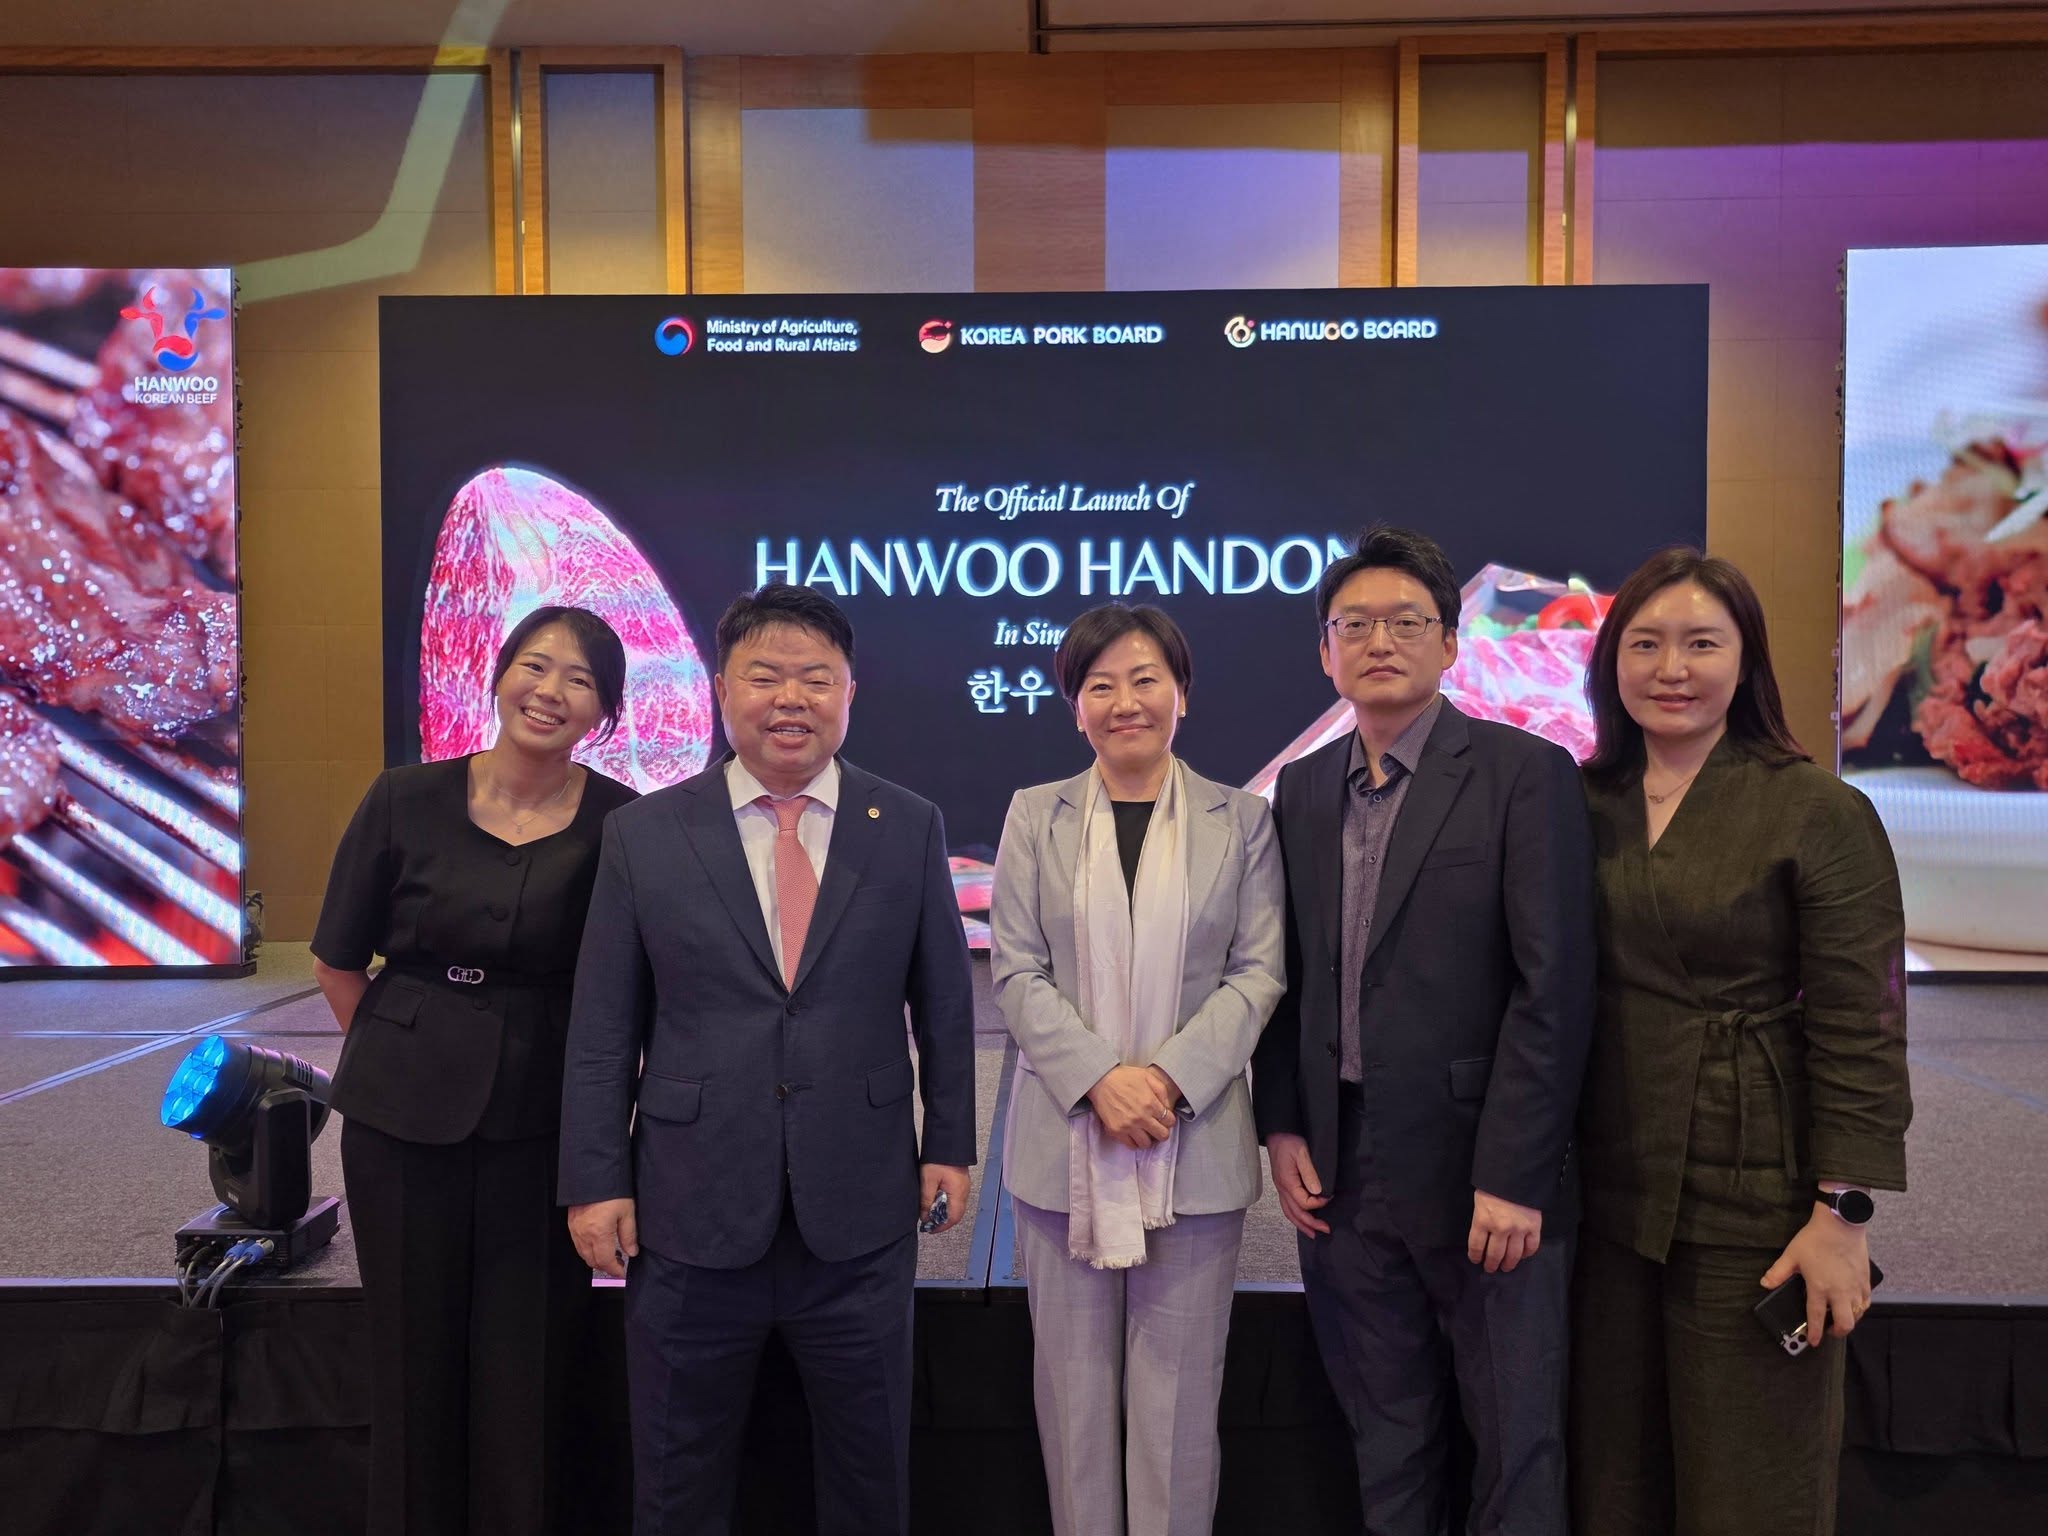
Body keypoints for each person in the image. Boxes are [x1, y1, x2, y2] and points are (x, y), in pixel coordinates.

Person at [557, 582, 976, 1536]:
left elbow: (946, 1005)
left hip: (861, 1207)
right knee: (677, 1474)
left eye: (815, 678)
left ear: (849, 694)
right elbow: (603, 1028)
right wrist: (596, 1180)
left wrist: (948, 1144)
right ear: (721, 690)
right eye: (765, 676)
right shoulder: (643, 834)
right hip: (688, 1208)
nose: (791, 698)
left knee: (870, 1474)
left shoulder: (907, 824)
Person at [1250, 526, 1595, 1536]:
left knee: (1514, 1444)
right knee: (1386, 1434)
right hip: (1342, 1169)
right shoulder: (1301, 789)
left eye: (1406, 622)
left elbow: (1554, 989)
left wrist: (1516, 1174)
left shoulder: (1525, 773)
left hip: (1480, 1169)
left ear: (1450, 642)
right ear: (1324, 651)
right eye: (1353, 625)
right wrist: (1283, 1124)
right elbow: (1283, 976)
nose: (1379, 642)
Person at [1569, 548, 1912, 1536]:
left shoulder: (1816, 809)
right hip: (1606, 1192)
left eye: (1701, 644)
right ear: (1611, 662)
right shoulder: (1579, 802)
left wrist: (1841, 1215)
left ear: (1746, 660)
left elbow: (1863, 1023)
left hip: (1756, 1193)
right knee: (1611, 1480)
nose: (1671, 668)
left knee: (1750, 1483)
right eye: (1645, 644)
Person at [310, 604, 639, 1535]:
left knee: (527, 1358)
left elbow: (627, 988)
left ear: (604, 711)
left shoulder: (624, 823)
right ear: (498, 678)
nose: (550, 691)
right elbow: (337, 960)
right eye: (534, 666)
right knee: (408, 1353)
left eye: (580, 680)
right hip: (399, 1120)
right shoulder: (403, 797)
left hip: (545, 1117)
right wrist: (406, 1054)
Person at [989, 603, 1285, 1536]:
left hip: (1192, 1148)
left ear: (1182, 694)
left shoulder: (1243, 820)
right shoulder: (1034, 814)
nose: (1126, 702)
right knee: (1072, 1407)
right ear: (1075, 706)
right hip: (1062, 1150)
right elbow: (1015, 968)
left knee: (1180, 1410)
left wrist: (1162, 1082)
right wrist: (1098, 1079)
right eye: (1101, 685)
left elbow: (1258, 971)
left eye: (1146, 679)